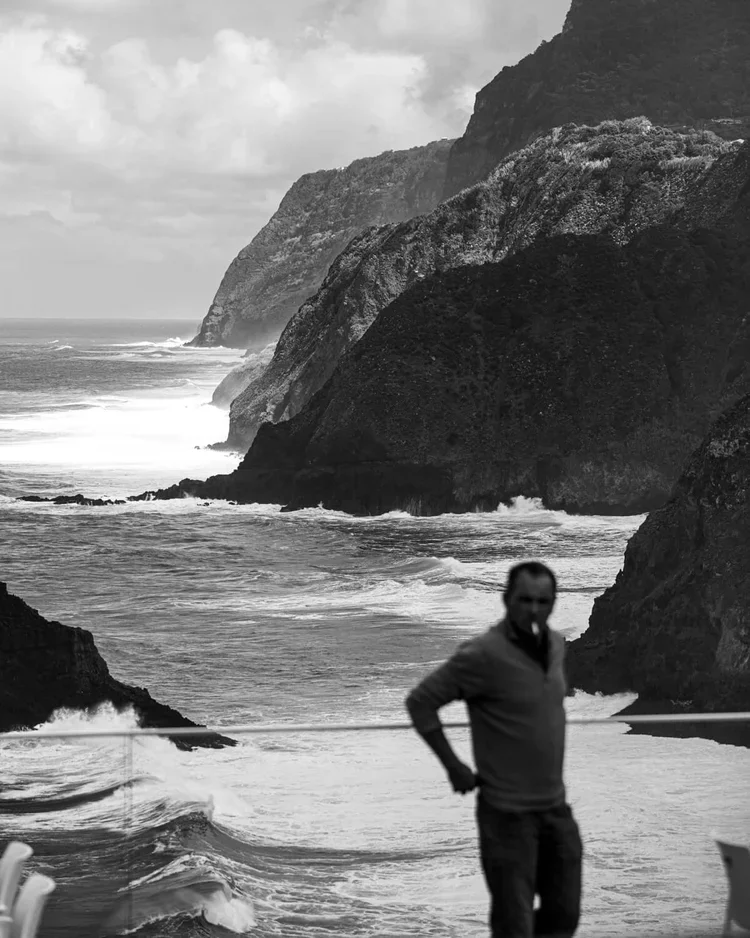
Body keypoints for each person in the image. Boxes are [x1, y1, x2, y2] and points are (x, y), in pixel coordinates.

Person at [405, 560, 582, 938]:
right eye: (525, 600)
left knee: (565, 915)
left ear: (553, 604)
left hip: (555, 808)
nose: (533, 608)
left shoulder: (555, 645)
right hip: (506, 816)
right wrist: (453, 765)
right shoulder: (482, 654)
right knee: (513, 925)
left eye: (543, 601)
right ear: (506, 600)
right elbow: (420, 702)